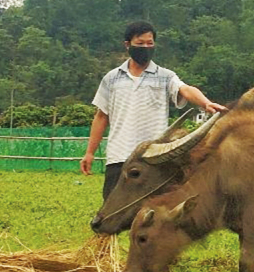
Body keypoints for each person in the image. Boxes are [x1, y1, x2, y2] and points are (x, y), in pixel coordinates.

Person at [80, 21, 227, 200]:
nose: (146, 47)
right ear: (127, 45)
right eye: (140, 44)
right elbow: (101, 116)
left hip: (155, 158)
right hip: (119, 157)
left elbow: (185, 89)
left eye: (150, 43)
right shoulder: (111, 79)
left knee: (154, 215)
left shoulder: (165, 76)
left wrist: (205, 103)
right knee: (111, 214)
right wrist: (89, 152)